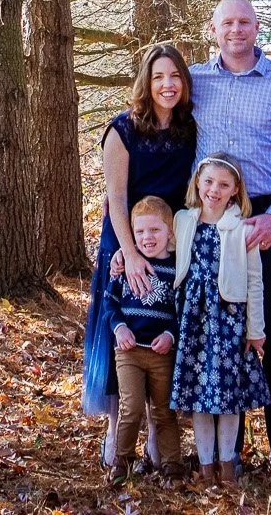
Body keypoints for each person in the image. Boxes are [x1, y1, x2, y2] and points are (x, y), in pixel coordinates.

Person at [190, 0, 271, 482]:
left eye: (244, 22)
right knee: (223, 335)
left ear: (258, 26)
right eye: (227, 22)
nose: (236, 30)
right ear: (214, 29)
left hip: (265, 218)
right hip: (211, 217)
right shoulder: (196, 82)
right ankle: (230, 450)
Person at [81, 42, 195, 466]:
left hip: (167, 244)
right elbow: (116, 196)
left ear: (184, 83)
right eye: (159, 77)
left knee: (161, 329)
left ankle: (157, 437)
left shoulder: (188, 132)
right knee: (126, 331)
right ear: (146, 83)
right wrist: (129, 255)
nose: (168, 85)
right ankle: (116, 434)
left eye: (176, 77)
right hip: (125, 242)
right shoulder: (122, 130)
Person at [167, 155, 269, 487]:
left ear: (235, 190)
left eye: (224, 185)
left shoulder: (242, 228)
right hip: (193, 322)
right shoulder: (183, 220)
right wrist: (125, 254)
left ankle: (228, 466)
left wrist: (255, 330)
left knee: (227, 399)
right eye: (209, 181)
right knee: (199, 397)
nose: (214, 190)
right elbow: (159, 249)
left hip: (228, 322)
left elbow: (254, 281)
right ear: (198, 181)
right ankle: (206, 467)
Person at [105, 196, 182, 483]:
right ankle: (121, 461)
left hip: (162, 352)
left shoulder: (176, 268)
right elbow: (109, 303)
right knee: (132, 407)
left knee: (164, 410)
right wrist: (119, 328)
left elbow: (181, 311)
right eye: (140, 232)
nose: (147, 238)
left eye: (155, 230)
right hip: (130, 351)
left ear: (169, 232)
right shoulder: (124, 263)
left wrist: (171, 335)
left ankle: (172, 464)